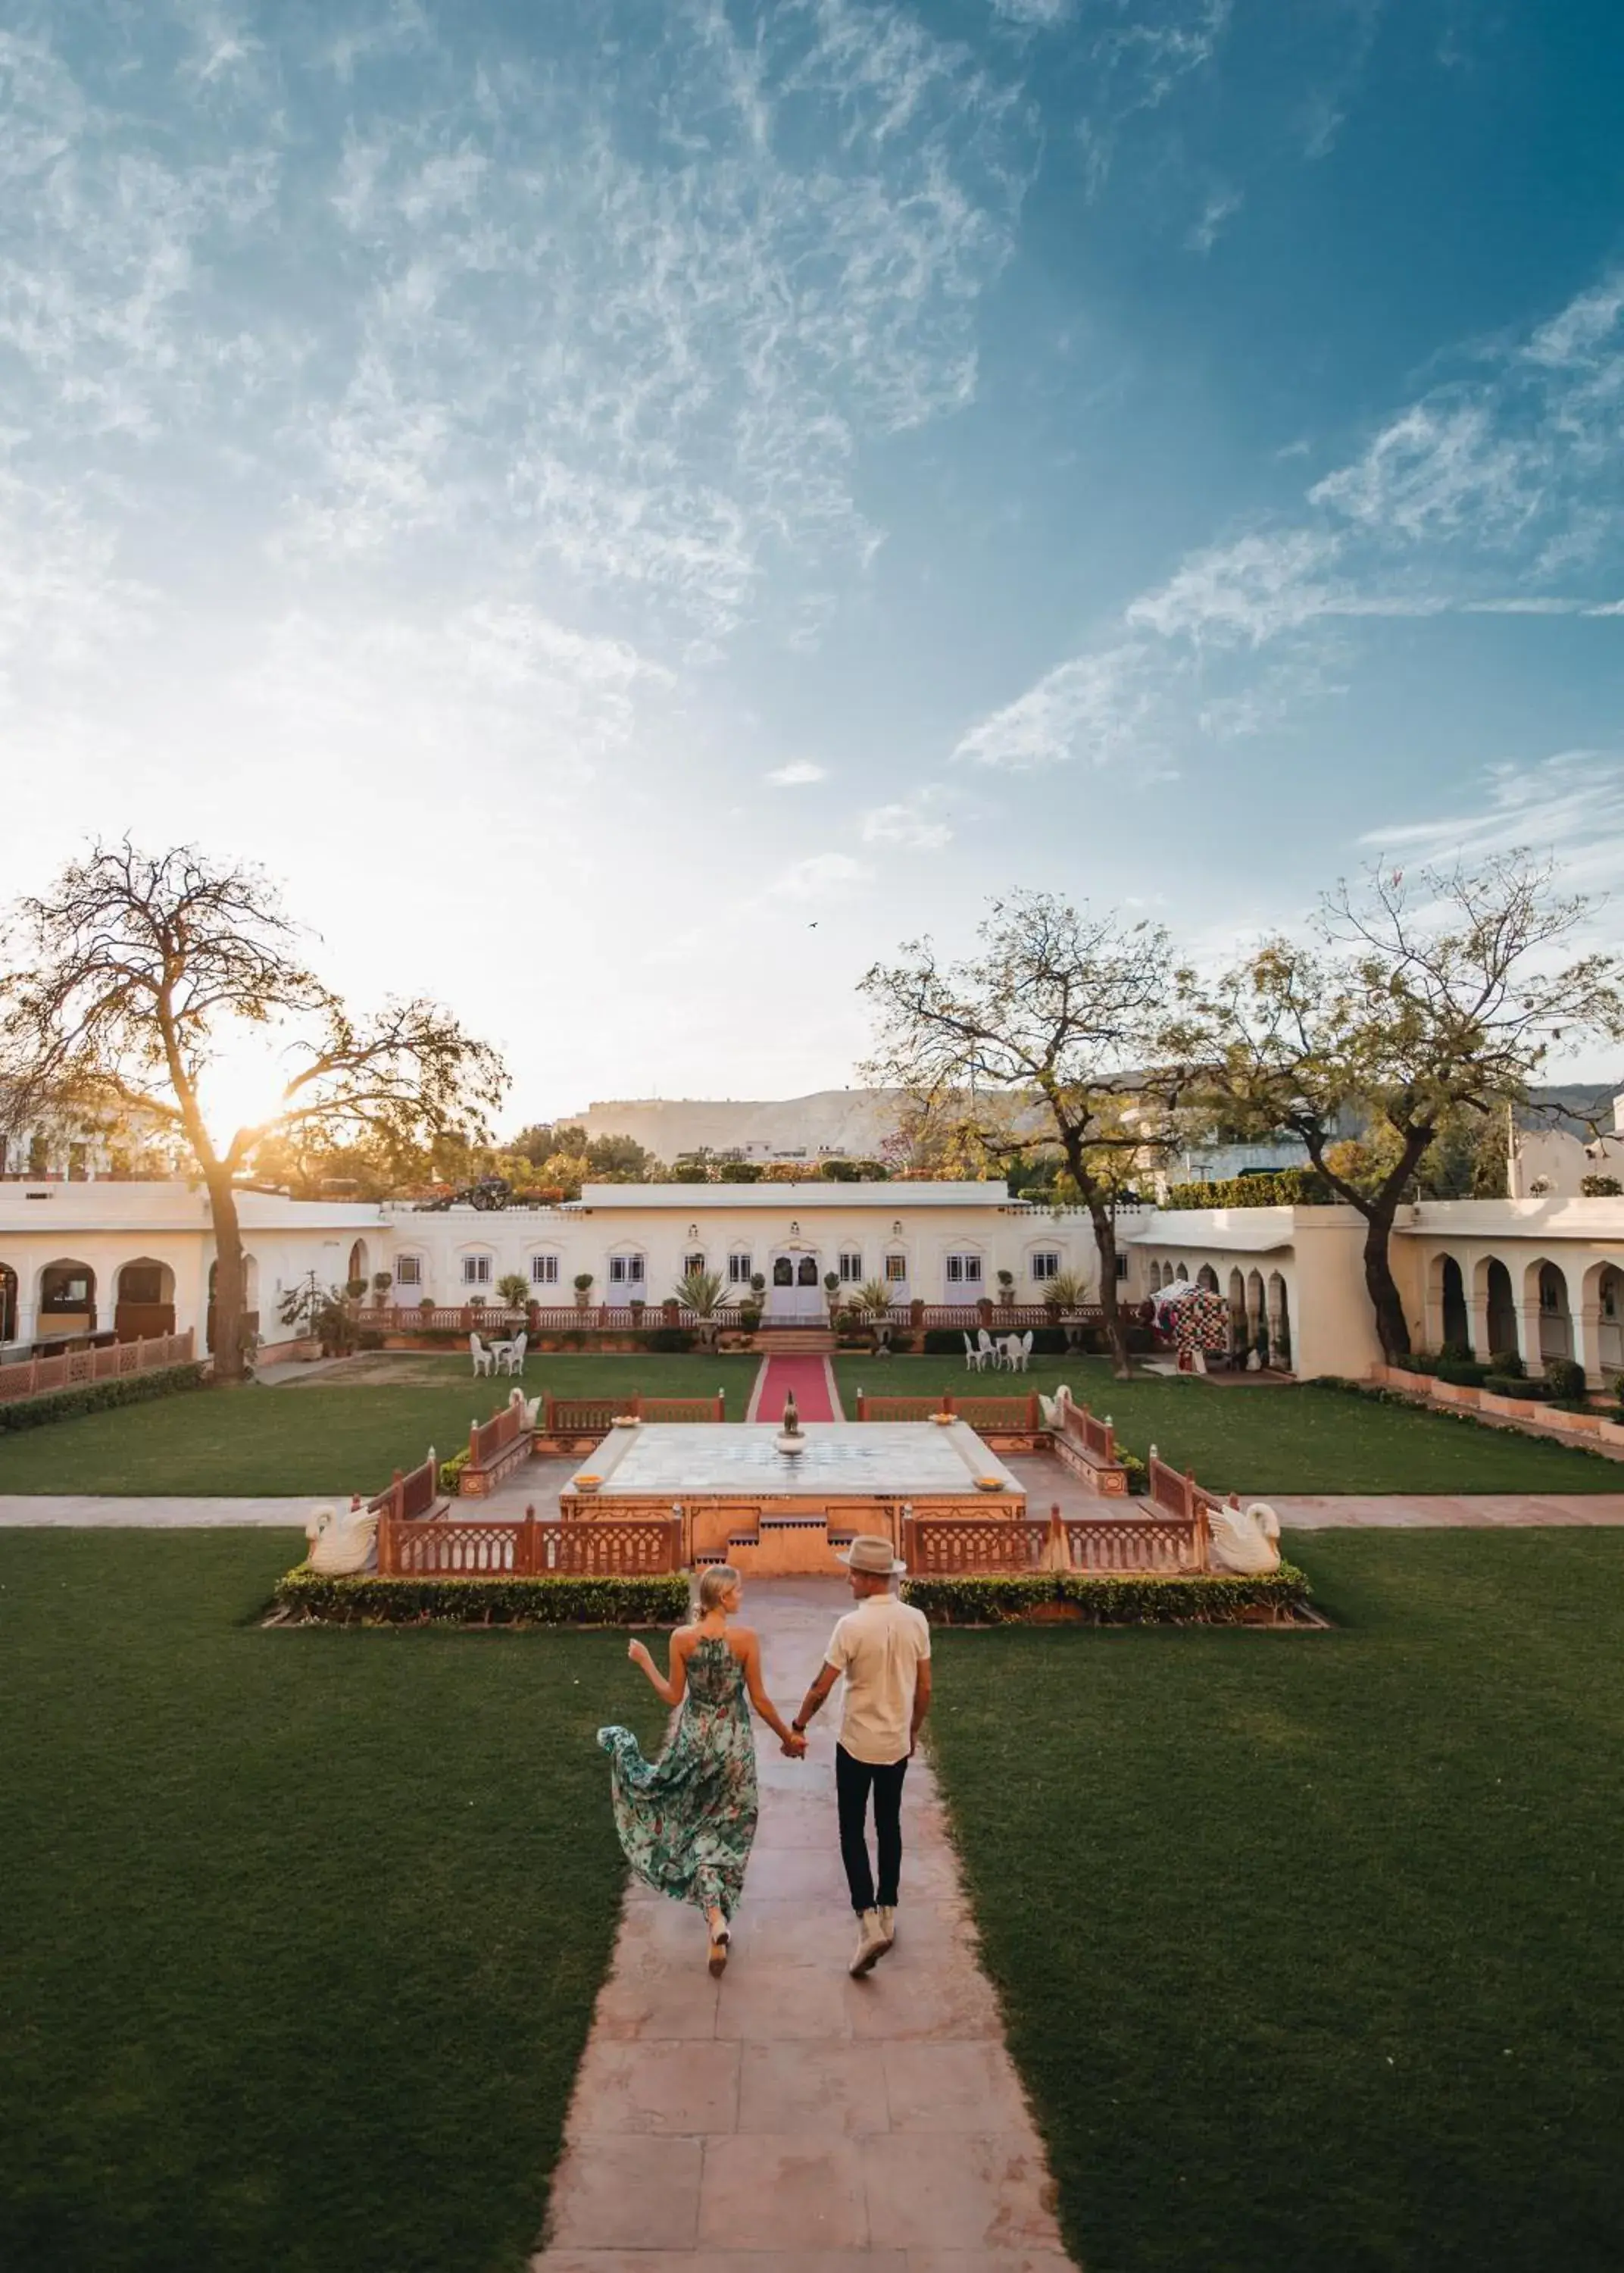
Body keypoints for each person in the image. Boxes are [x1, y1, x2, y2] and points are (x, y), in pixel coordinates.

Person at [598, 1565, 806, 1975]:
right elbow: (761, 1701)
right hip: (733, 1747)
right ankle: (718, 1919)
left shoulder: (682, 1638)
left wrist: (645, 1661)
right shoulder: (746, 1640)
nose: (742, 1596)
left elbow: (672, 1696)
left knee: (696, 1827)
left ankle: (715, 1919)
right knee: (731, 1827)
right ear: (723, 1597)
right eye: (738, 1591)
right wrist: (788, 1738)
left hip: (695, 1743)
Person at [791, 1534, 932, 1978]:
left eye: (852, 1573)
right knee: (889, 1825)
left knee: (852, 1830)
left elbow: (821, 1686)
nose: (847, 1579)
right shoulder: (916, 1620)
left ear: (871, 1578)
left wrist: (797, 1726)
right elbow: (925, 1688)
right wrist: (913, 1730)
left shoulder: (851, 1626)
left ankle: (868, 1921)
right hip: (895, 1744)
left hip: (855, 1743)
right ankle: (888, 1912)